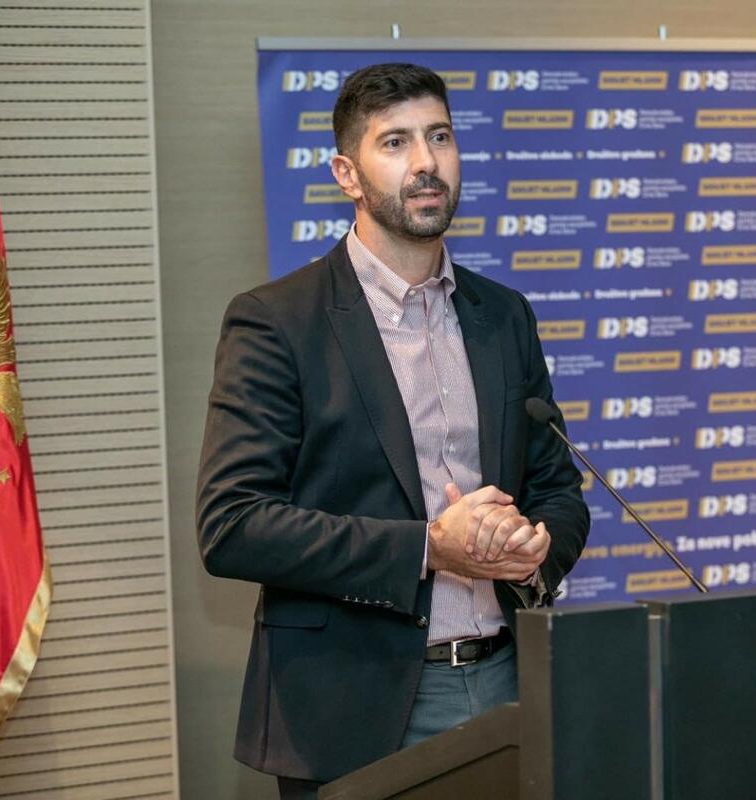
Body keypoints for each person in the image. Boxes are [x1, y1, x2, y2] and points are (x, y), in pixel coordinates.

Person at [195, 62, 590, 798]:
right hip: (354, 708)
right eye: (395, 142)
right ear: (346, 173)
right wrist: (428, 548)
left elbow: (558, 488)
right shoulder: (278, 322)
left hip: (509, 682)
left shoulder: (504, 315)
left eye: (439, 136)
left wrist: (535, 551)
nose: (425, 162)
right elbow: (233, 525)